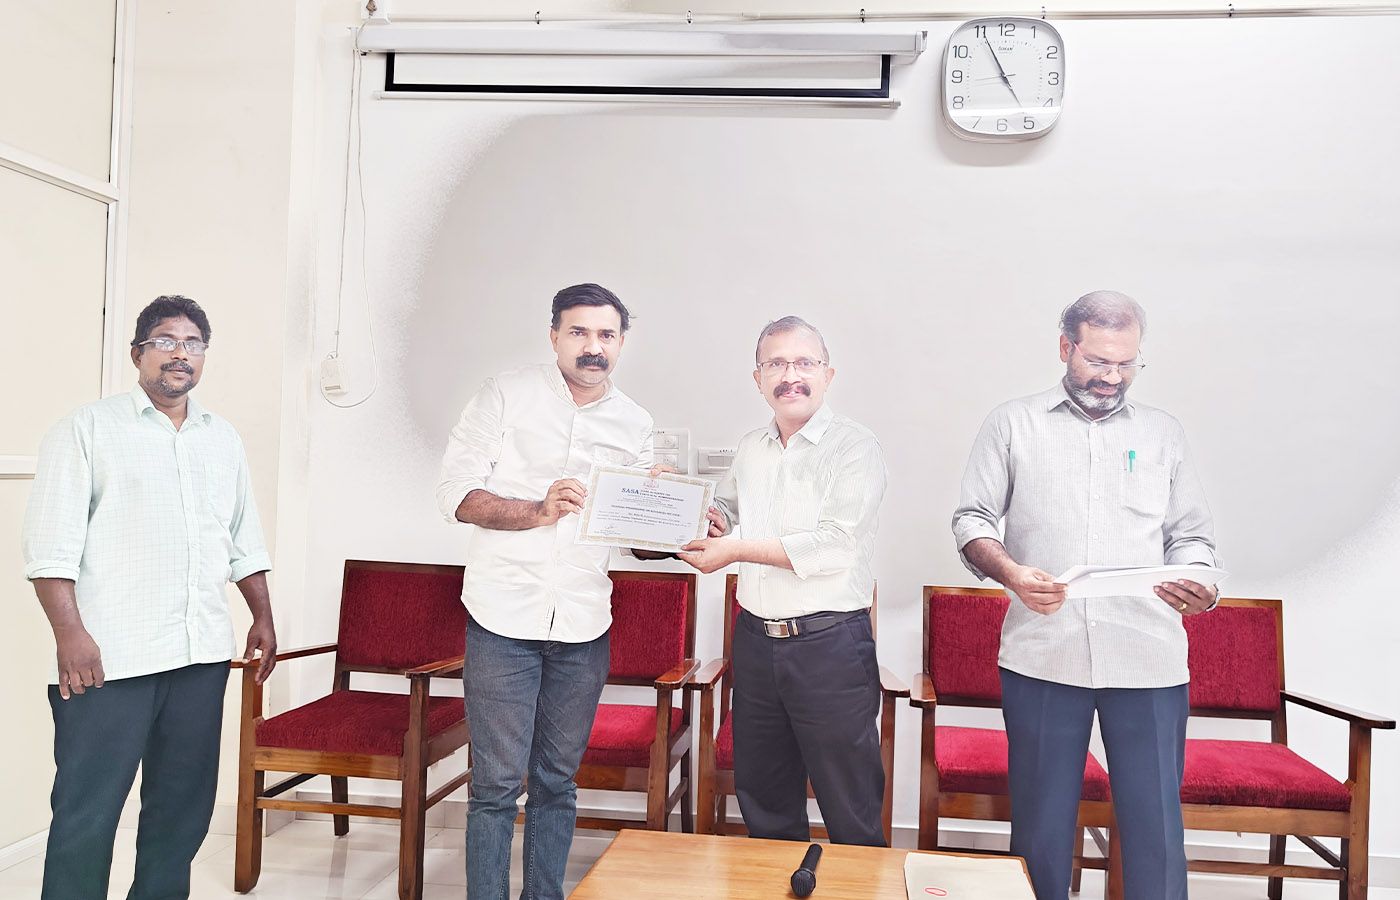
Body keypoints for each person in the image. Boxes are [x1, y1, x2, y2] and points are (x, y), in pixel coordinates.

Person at [952, 291, 1219, 899]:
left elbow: (1192, 537)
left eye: (1127, 364)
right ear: (1065, 347)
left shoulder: (1163, 433)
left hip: (1147, 656)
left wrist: (1199, 584)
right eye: (1099, 361)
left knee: (1155, 829)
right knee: (1041, 829)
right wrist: (1013, 573)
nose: (1113, 377)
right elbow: (972, 521)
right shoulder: (1012, 424)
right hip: (1044, 654)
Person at [22, 295, 277, 900]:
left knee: (181, 811)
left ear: (204, 356)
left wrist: (262, 614)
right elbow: (50, 550)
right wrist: (71, 636)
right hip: (110, 660)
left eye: (193, 343)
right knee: (87, 812)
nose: (179, 354)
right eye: (165, 341)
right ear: (138, 353)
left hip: (199, 655)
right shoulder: (86, 429)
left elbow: (242, 538)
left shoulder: (222, 438)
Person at [436, 283, 655, 900]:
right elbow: (456, 495)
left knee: (557, 783)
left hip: (584, 624)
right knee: (495, 786)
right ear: (554, 335)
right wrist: (536, 510)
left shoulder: (637, 424)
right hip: (502, 619)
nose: (593, 346)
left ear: (621, 342)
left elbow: (638, 541)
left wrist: (675, 516)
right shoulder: (504, 394)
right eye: (579, 332)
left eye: (606, 334)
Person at [680, 315, 888, 846]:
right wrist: (697, 513)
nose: (790, 376)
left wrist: (734, 549)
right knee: (764, 799)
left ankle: (858, 885)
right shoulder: (751, 446)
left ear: (828, 374)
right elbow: (730, 511)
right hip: (755, 643)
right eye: (775, 364)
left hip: (830, 645)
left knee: (851, 806)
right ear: (758, 378)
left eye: (803, 363)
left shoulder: (855, 446)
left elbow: (834, 546)